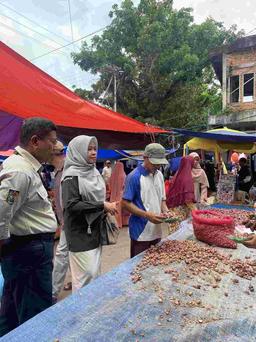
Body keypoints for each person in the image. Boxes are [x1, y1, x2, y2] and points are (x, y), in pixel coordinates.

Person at [0, 117, 58, 336]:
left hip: (26, 252)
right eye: (51, 142)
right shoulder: (20, 173)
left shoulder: (23, 168)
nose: (54, 147)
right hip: (28, 253)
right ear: (35, 141)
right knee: (34, 317)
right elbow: (2, 213)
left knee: (14, 313)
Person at [61, 135, 117, 292]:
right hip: (80, 233)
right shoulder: (71, 176)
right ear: (78, 151)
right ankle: (80, 313)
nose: (93, 153)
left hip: (95, 230)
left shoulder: (93, 172)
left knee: (94, 275)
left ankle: (91, 310)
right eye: (88, 149)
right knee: (85, 277)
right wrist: (102, 205)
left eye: (94, 149)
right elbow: (71, 205)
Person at [121, 143, 169, 258]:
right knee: (138, 266)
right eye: (154, 162)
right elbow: (125, 203)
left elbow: (162, 199)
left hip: (156, 230)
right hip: (140, 232)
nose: (157, 166)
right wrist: (147, 215)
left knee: (155, 264)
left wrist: (166, 211)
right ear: (145, 157)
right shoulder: (134, 177)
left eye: (159, 163)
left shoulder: (160, 175)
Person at [50, 142, 73, 300]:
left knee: (61, 254)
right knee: (70, 254)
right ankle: (74, 280)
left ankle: (52, 292)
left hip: (69, 222)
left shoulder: (67, 171)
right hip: (64, 221)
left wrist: (65, 220)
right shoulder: (58, 171)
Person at [109, 161, 129, 228]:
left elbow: (109, 184)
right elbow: (125, 185)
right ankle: (123, 222)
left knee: (114, 209)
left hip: (113, 194)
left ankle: (115, 223)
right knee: (121, 210)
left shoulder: (112, 175)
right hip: (121, 194)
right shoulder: (123, 175)